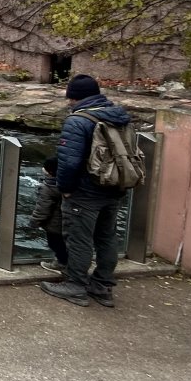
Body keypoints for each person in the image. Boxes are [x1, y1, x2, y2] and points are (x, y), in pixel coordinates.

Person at [40, 74, 133, 308]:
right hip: (114, 185)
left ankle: (76, 285)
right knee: (107, 237)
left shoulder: (78, 120)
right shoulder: (118, 116)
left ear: (73, 96)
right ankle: (102, 286)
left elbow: (69, 161)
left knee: (79, 239)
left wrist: (66, 189)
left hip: (86, 190)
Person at [28, 156, 67, 273]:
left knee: (55, 243)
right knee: (65, 243)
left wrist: (33, 222)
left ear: (49, 172)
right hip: (67, 222)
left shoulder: (47, 188)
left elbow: (42, 209)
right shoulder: (67, 184)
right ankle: (67, 261)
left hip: (54, 225)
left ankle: (60, 263)